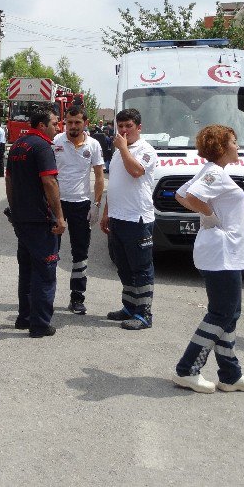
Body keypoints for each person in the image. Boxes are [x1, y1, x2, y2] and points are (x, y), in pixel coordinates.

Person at [171, 125, 244, 394]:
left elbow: (180, 194)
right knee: (221, 313)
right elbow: (190, 196)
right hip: (221, 253)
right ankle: (187, 369)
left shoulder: (213, 172)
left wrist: (210, 215)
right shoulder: (215, 173)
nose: (237, 145)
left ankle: (230, 374)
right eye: (233, 141)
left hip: (226, 253)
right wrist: (210, 215)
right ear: (221, 147)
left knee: (231, 313)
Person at [6, 103, 67, 338]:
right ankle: (40, 324)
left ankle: (25, 317)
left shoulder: (18, 145)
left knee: (27, 269)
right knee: (45, 271)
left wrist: (14, 208)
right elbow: (50, 182)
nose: (57, 127)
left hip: (22, 218)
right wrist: (59, 216)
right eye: (54, 123)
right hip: (40, 220)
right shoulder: (42, 147)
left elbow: (9, 181)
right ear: (42, 125)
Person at [100, 109, 159, 330]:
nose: (123, 131)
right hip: (118, 216)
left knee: (141, 267)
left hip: (138, 218)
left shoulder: (146, 150)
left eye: (129, 126)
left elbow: (136, 171)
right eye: (120, 126)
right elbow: (114, 183)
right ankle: (129, 306)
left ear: (139, 128)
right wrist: (107, 212)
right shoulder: (118, 151)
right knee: (123, 265)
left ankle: (144, 313)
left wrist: (124, 149)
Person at [52, 104, 105, 315]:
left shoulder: (93, 145)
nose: (72, 127)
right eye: (69, 122)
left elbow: (100, 177)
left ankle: (77, 298)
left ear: (86, 123)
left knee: (80, 254)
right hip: (57, 204)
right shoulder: (55, 142)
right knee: (50, 252)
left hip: (81, 205)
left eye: (77, 123)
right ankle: (47, 296)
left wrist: (97, 205)